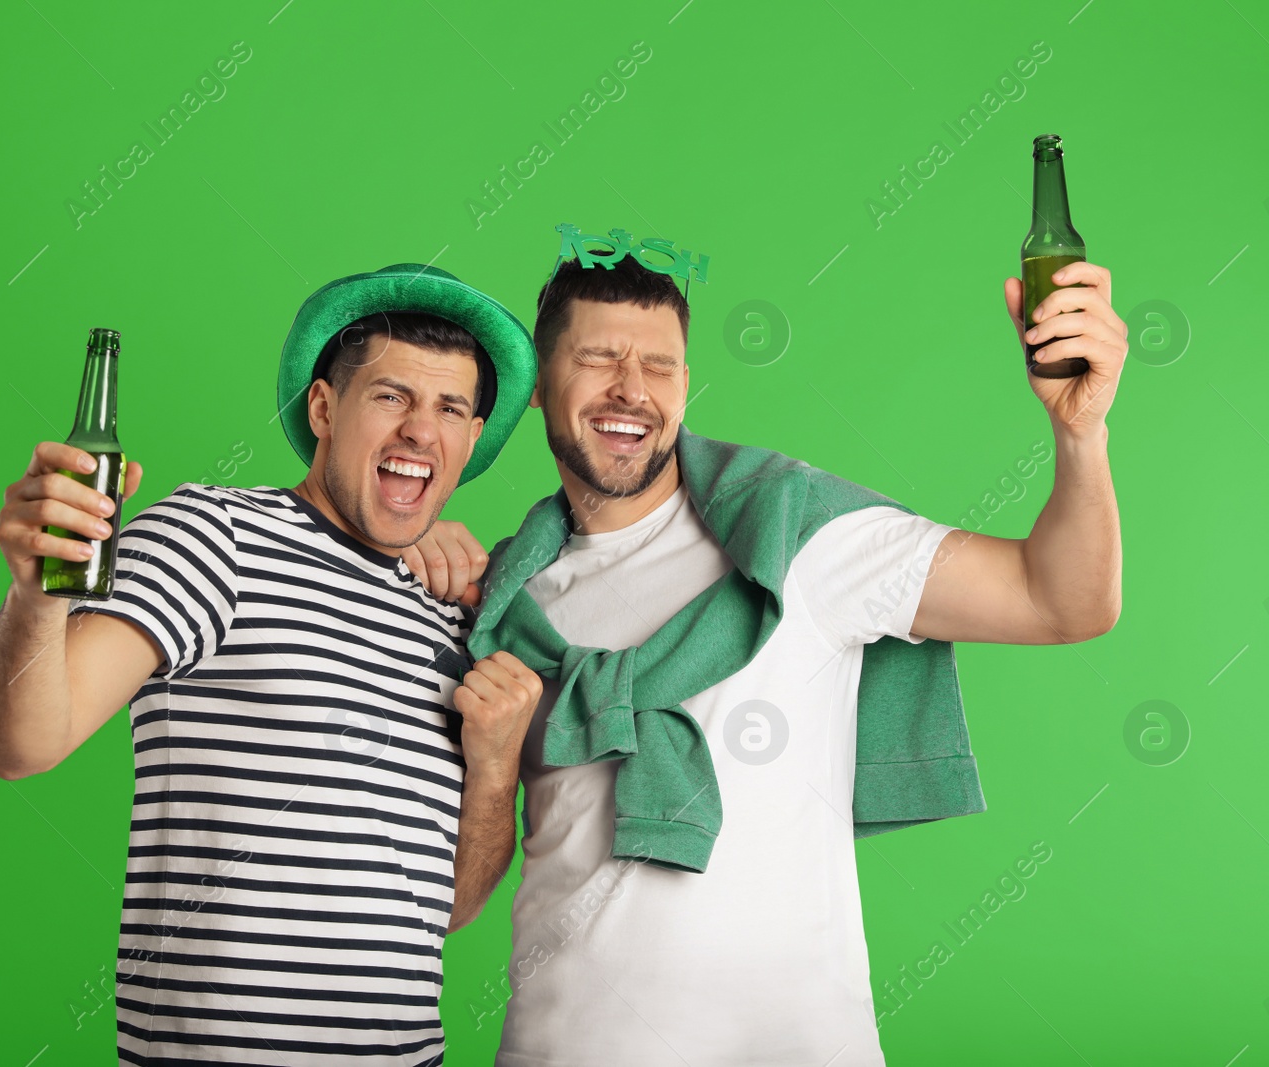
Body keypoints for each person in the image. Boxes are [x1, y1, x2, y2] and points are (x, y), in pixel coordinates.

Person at [405, 248, 1127, 1065]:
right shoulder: (502, 601)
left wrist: (1080, 431)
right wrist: (412, 543)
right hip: (565, 1043)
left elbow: (1062, 599)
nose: (631, 389)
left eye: (660, 364)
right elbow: (452, 888)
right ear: (539, 383)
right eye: (599, 357)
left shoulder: (799, 533)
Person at [0, 263, 545, 1065]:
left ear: (472, 438)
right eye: (390, 396)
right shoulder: (216, 538)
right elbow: (22, 744)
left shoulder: (455, 614)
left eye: (451, 407)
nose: (422, 430)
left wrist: (494, 772)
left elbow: (441, 911)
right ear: (322, 407)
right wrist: (36, 595)